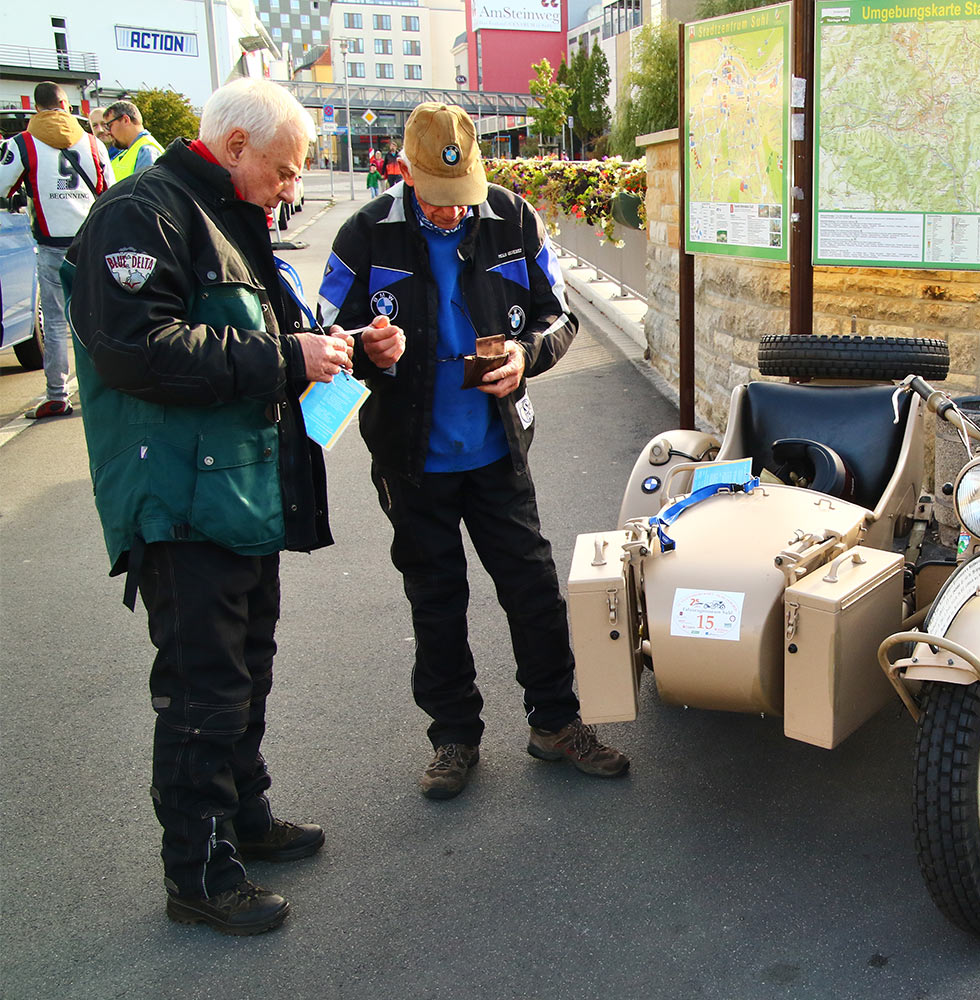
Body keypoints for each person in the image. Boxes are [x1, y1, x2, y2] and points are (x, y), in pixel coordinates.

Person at [64, 78, 353, 936]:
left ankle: (246, 818)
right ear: (233, 146)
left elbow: (253, 330)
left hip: (234, 490)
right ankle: (198, 871)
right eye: (283, 169)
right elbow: (135, 348)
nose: (291, 186)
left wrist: (324, 349)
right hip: (179, 501)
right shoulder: (141, 212)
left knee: (244, 671)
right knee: (202, 693)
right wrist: (283, 357)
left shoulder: (225, 211)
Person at [317, 102, 629, 801]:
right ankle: (454, 736)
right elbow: (326, 342)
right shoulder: (364, 234)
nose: (456, 213)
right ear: (404, 172)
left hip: (497, 450)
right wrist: (366, 351)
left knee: (533, 591)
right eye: (439, 199)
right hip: (412, 459)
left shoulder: (514, 216)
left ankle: (556, 722)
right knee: (436, 600)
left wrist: (527, 354)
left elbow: (561, 315)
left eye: (466, 198)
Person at [0, 81, 114, 419]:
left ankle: (57, 395)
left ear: (37, 108)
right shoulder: (92, 142)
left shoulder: (22, 143)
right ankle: (110, 387)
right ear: (65, 104)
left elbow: (2, 186)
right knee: (101, 315)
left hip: (52, 247)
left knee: (54, 321)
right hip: (91, 242)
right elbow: (108, 189)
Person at [100, 100, 164, 179]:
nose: (108, 132)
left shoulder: (147, 151)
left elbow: (146, 190)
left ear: (125, 120)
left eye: (109, 126)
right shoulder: (129, 153)